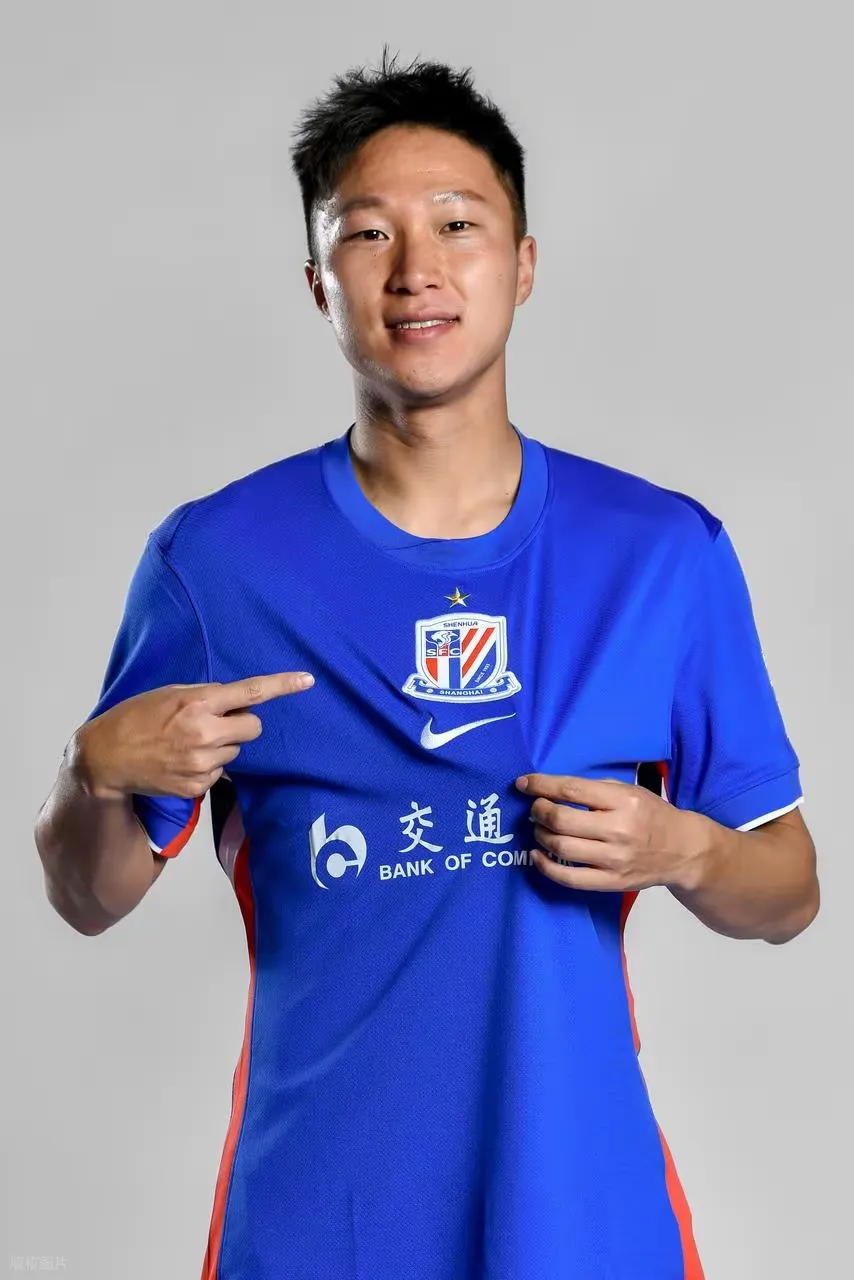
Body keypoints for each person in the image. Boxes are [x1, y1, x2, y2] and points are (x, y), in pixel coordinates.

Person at [35, 49, 819, 1280]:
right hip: (320, 1219)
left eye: (457, 223)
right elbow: (91, 894)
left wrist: (685, 850)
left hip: (580, 1219)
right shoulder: (217, 562)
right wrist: (90, 773)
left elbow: (788, 890)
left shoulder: (658, 555)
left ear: (522, 261)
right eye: (367, 232)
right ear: (318, 283)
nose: (415, 269)